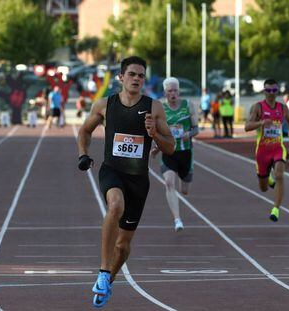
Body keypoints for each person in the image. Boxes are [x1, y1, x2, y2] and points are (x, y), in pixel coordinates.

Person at [77, 56, 175, 308]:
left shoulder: (155, 108)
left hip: (138, 180)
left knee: (122, 246)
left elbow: (171, 148)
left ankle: (109, 278)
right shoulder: (104, 105)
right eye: (132, 74)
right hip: (112, 170)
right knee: (115, 206)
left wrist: (154, 134)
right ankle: (101, 271)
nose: (136, 79)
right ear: (121, 77)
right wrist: (83, 154)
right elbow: (84, 131)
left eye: (141, 75)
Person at [245, 78, 289, 222]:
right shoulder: (258, 107)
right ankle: (267, 179)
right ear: (264, 91)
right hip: (262, 151)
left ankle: (275, 209)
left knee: (280, 175)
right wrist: (262, 122)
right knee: (263, 188)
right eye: (268, 90)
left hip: (277, 148)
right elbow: (247, 126)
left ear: (277, 91)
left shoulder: (282, 108)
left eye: (274, 90)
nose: (271, 93)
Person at [150, 77, 199, 232]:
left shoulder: (188, 105)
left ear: (179, 91)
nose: (173, 93)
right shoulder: (160, 108)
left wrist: (189, 134)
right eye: (170, 91)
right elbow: (156, 132)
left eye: (175, 90)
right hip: (169, 152)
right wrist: (157, 148)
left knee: (184, 190)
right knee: (169, 183)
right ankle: (177, 220)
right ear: (165, 92)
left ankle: (187, 174)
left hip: (185, 153)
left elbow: (196, 129)